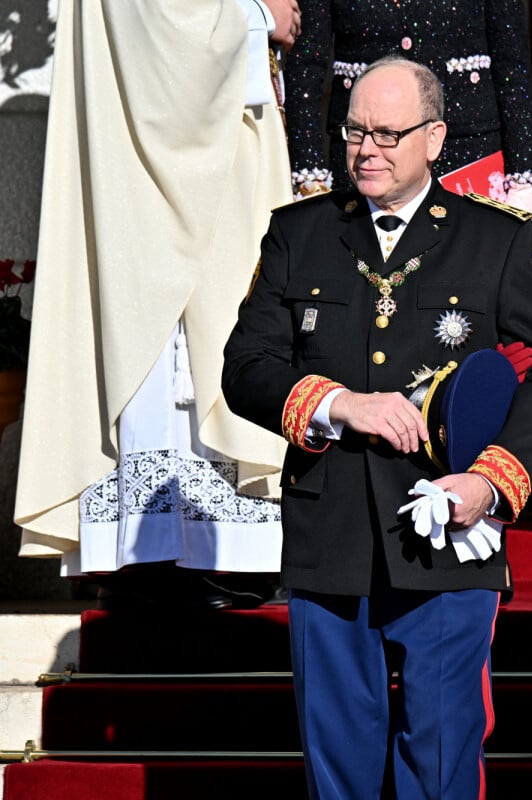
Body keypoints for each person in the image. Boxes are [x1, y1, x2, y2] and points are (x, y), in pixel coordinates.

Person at [222, 56, 532, 798]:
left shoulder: (496, 241)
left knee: (442, 761)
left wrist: (491, 480)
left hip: (449, 534)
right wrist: (335, 403)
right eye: (354, 131)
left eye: (388, 132)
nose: (367, 149)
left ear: (436, 136)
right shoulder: (300, 234)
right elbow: (246, 366)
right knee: (338, 766)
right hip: (333, 537)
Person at [14, 0, 300, 606]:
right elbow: (157, 28)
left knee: (213, 325)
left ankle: (212, 550)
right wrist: (256, 18)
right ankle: (165, 556)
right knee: (163, 328)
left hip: (209, 154)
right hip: (155, 170)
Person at [284, 0, 532, 212]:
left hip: (466, 156)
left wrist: (522, 180)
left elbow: (513, 69)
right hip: (366, 161)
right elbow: (304, 70)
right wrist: (311, 181)